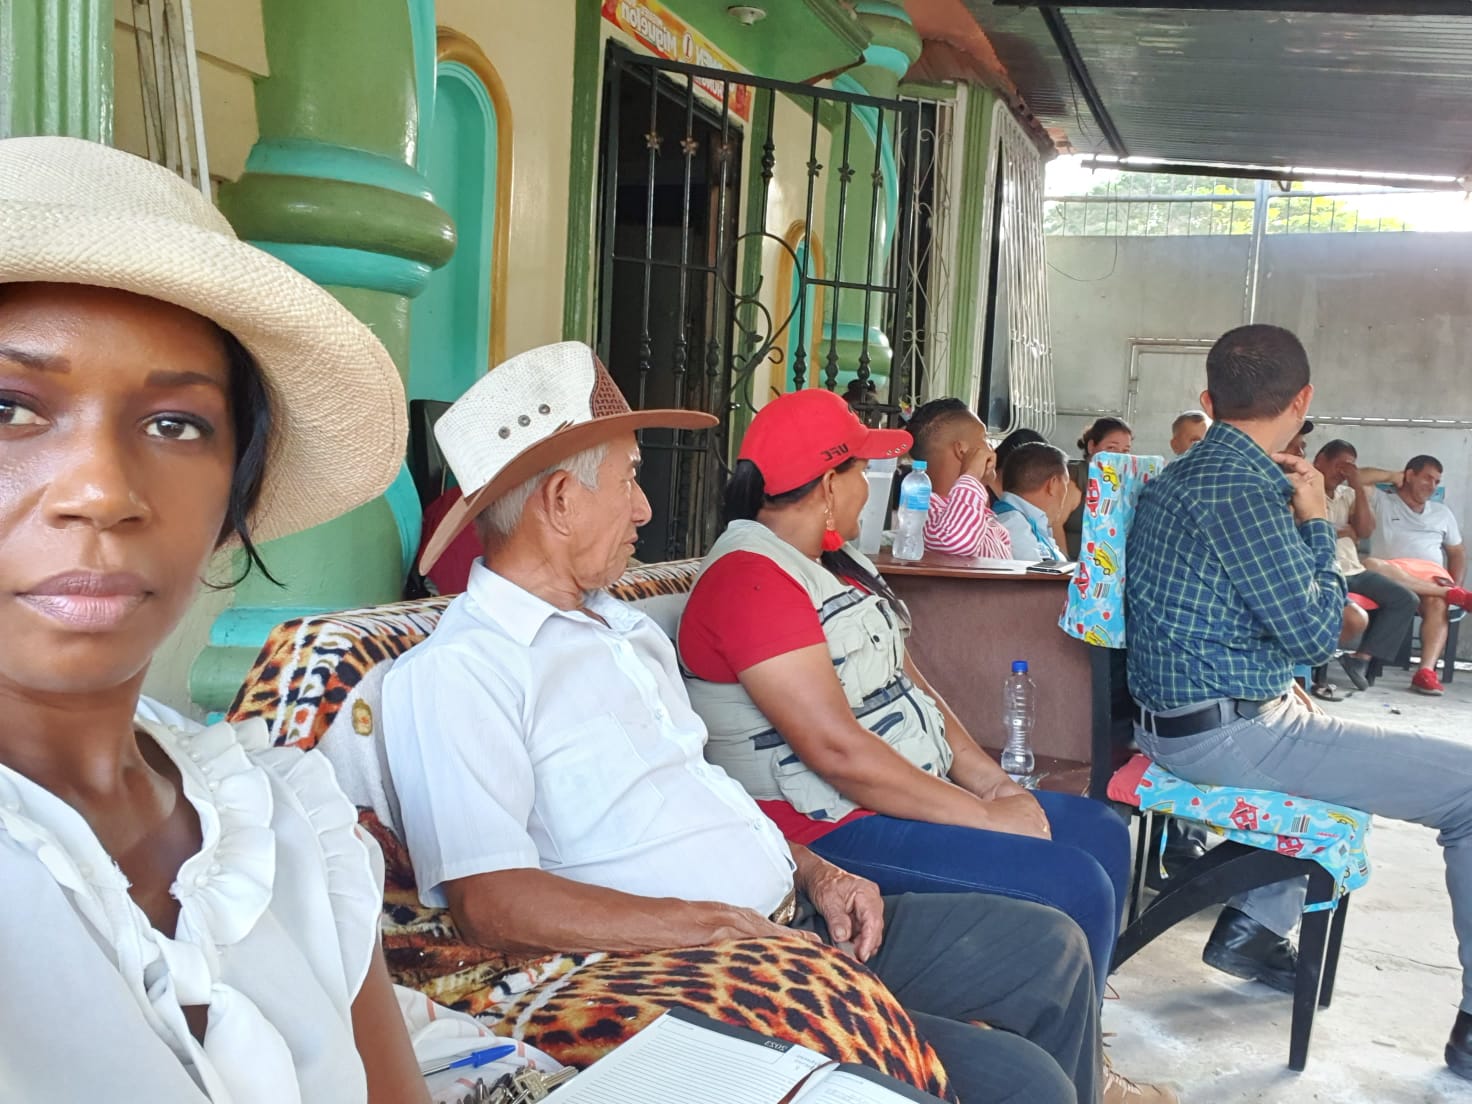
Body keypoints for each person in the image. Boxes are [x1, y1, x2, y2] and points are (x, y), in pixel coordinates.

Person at [385, 350, 1174, 1104]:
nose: (645, 508)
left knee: (1050, 951)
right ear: (561, 500)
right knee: (1021, 1082)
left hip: (798, 916)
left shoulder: (623, 635)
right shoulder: (462, 670)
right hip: (706, 969)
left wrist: (814, 871)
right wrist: (705, 926)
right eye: (630, 480)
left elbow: (707, 792)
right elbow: (492, 902)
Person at [0, 137, 429, 1101]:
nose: (103, 492)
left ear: (234, 502)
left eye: (175, 424)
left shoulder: (290, 821)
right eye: (8, 408)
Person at [677, 391, 1138, 1015]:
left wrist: (994, 785)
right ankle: (1064, 1050)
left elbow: (914, 686)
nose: (873, 488)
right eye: (861, 472)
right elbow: (835, 751)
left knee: (1102, 832)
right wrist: (983, 818)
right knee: (1071, 882)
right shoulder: (750, 579)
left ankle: (1079, 1031)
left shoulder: (836, 563)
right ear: (828, 484)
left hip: (895, 794)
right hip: (827, 826)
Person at [1126, 322, 1472, 1081]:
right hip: (1223, 734)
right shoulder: (1248, 491)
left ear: (1209, 400)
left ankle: (1253, 928)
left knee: (1339, 744)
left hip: (1190, 715)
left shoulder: (1184, 474)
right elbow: (1320, 635)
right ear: (1303, 400)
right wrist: (1316, 516)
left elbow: (1228, 616)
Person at [1313, 439, 1446, 692]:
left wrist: (1356, 487)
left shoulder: (1347, 494)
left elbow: (1364, 530)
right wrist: (1341, 529)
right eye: (1339, 465)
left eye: (1350, 467)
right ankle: (1314, 666)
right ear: (1319, 460)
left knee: (1405, 599)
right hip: (1320, 569)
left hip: (1352, 569)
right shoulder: (1304, 489)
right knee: (1336, 604)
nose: (1343, 472)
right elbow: (1305, 528)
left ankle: (1360, 659)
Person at [1364, 454, 1469, 695]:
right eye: (1427, 478)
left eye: (1437, 481)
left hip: (1430, 576)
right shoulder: (1383, 500)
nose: (1432, 486)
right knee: (1371, 565)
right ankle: (1451, 593)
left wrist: (1456, 581)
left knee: (1437, 603)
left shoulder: (1442, 512)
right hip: (1392, 574)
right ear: (1410, 475)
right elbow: (1356, 478)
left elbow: (1457, 552)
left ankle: (1425, 673)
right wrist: (1392, 476)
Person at [904, 397, 1012, 557]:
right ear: (962, 451)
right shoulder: (926, 510)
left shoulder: (990, 523)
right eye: (985, 439)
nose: (991, 449)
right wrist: (971, 474)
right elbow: (957, 540)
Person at [1065, 417, 1133, 558]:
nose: (1119, 456)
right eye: (1111, 448)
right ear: (1091, 447)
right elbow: (1054, 525)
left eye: (1125, 451)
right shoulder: (1076, 476)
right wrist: (1065, 565)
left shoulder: (1127, 481)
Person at [995, 442, 1072, 561]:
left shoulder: (1029, 523)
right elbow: (1042, 571)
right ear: (1053, 484)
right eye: (1066, 483)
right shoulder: (1012, 524)